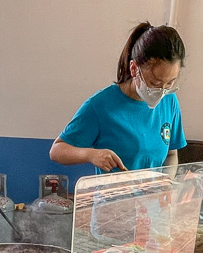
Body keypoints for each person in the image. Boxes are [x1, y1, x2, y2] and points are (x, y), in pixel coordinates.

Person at [50, 22, 187, 173]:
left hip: (152, 196)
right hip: (113, 195)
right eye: (155, 82)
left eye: (169, 83)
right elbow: (57, 151)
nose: (162, 91)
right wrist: (90, 154)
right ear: (134, 68)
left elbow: (171, 154)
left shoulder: (170, 101)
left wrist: (167, 184)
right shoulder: (101, 105)